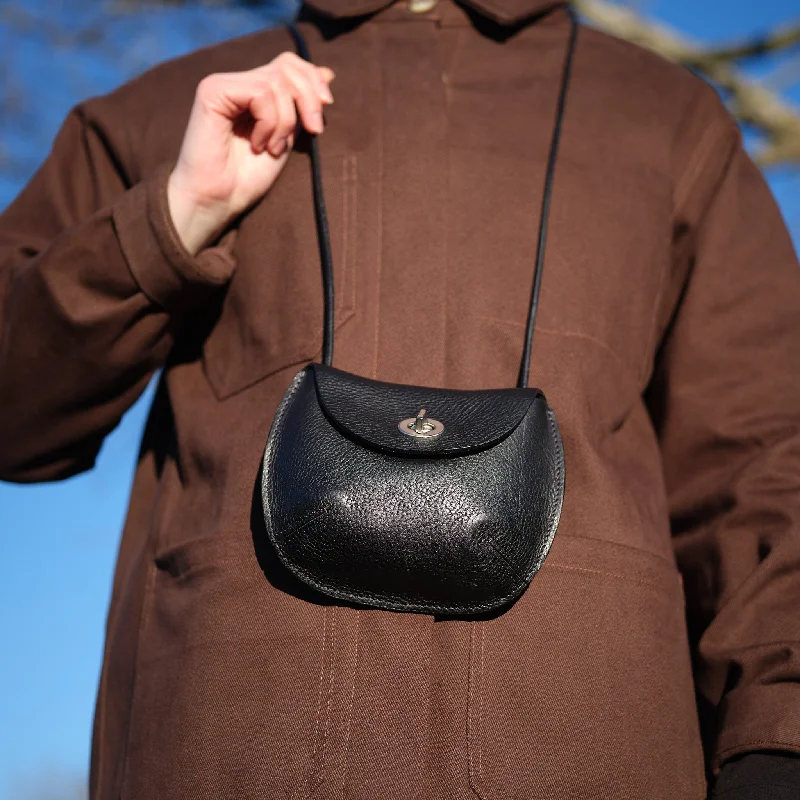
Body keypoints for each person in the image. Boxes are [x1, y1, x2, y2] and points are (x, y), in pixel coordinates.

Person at [0, 0, 799, 797]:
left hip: (585, 743)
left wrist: (776, 742)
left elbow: (765, 455)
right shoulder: (184, 104)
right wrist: (174, 219)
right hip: (228, 743)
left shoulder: (667, 116)